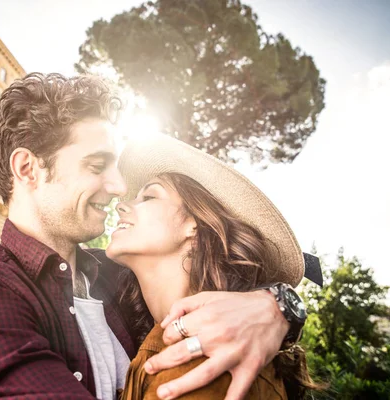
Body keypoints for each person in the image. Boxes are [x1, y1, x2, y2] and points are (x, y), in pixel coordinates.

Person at [0, 73, 318, 399]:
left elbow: (227, 275)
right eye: (97, 166)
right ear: (27, 169)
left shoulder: (124, 279)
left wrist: (278, 305)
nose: (117, 186)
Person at [106, 134, 320, 399]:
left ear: (194, 227)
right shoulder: (165, 340)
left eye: (149, 196)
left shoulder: (203, 359)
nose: (121, 205)